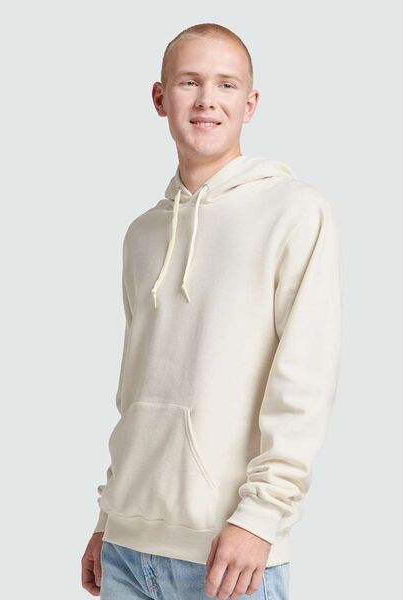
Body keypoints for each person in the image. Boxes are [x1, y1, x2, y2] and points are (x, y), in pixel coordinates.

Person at [81, 22, 343, 600]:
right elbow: (135, 387)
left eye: (226, 85)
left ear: (250, 104)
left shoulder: (295, 211)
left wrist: (262, 517)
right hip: (126, 547)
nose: (207, 100)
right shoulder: (143, 234)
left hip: (229, 552)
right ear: (160, 98)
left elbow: (304, 378)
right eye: (189, 82)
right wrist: (109, 517)